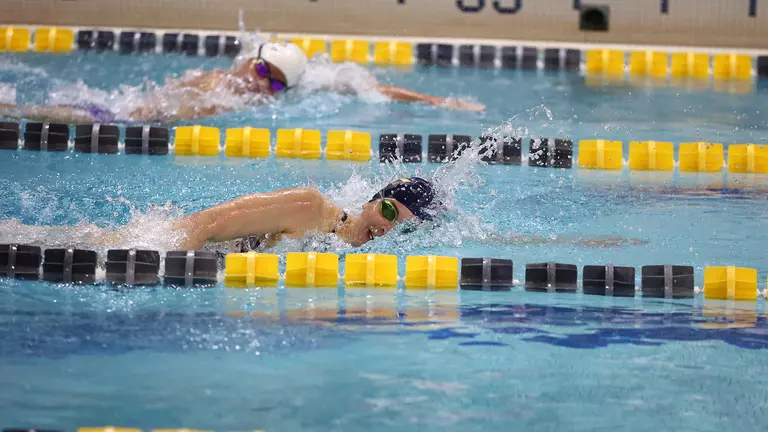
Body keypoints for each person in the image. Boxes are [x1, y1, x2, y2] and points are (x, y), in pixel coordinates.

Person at [0, 41, 486, 124]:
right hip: (128, 114)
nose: (261, 87)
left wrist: (438, 99)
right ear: (247, 62)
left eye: (274, 86)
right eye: (260, 73)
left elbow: (362, 84)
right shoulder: (214, 83)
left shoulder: (302, 81)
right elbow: (147, 115)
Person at [177, 176, 439, 252]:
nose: (385, 229)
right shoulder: (310, 207)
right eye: (388, 211)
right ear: (371, 202)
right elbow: (204, 225)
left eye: (404, 227)